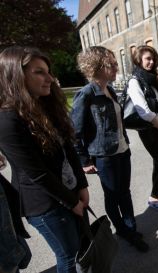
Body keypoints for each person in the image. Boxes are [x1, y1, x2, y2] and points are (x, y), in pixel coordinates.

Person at [0, 46, 89, 273]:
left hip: (69, 191)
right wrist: (72, 202)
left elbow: (69, 147)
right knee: (68, 256)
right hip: (45, 204)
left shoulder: (44, 103)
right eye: (39, 72)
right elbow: (37, 173)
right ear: (16, 75)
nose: (50, 78)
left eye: (48, 71)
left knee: (80, 249)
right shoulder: (7, 120)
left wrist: (82, 184)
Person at [71, 46, 149, 252]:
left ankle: (130, 228)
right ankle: (124, 230)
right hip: (104, 156)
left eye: (116, 64)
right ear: (96, 66)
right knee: (113, 195)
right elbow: (74, 131)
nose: (116, 67)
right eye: (111, 64)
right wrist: (84, 161)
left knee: (125, 193)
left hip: (122, 150)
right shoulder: (86, 94)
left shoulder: (111, 90)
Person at [128, 45, 158, 211]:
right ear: (139, 60)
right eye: (147, 58)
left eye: (153, 59)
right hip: (148, 131)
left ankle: (157, 195)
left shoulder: (152, 79)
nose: (151, 62)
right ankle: (153, 196)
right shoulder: (135, 81)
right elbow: (144, 111)